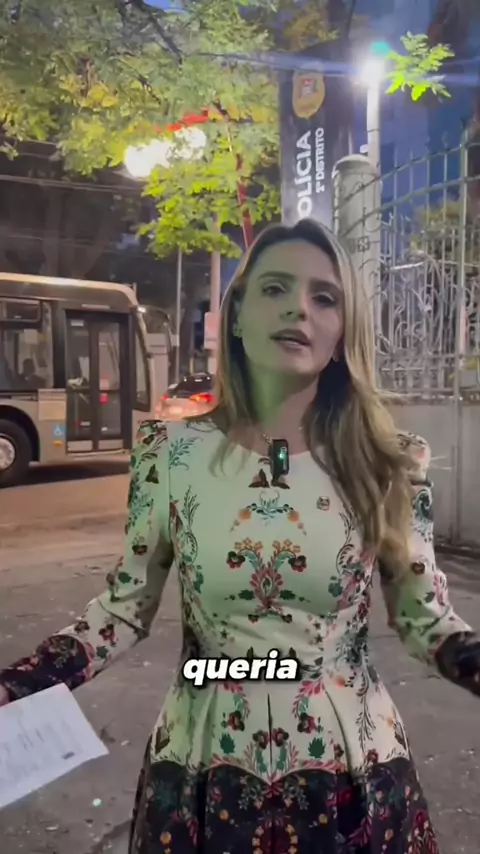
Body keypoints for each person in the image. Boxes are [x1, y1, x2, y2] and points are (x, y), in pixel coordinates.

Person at [1, 219, 479, 853]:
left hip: (353, 781)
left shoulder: (389, 461)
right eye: (275, 288)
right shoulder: (169, 454)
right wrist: (18, 684)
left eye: (324, 297)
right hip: (201, 777)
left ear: (343, 332)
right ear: (235, 316)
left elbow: (426, 620)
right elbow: (121, 611)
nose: (298, 309)